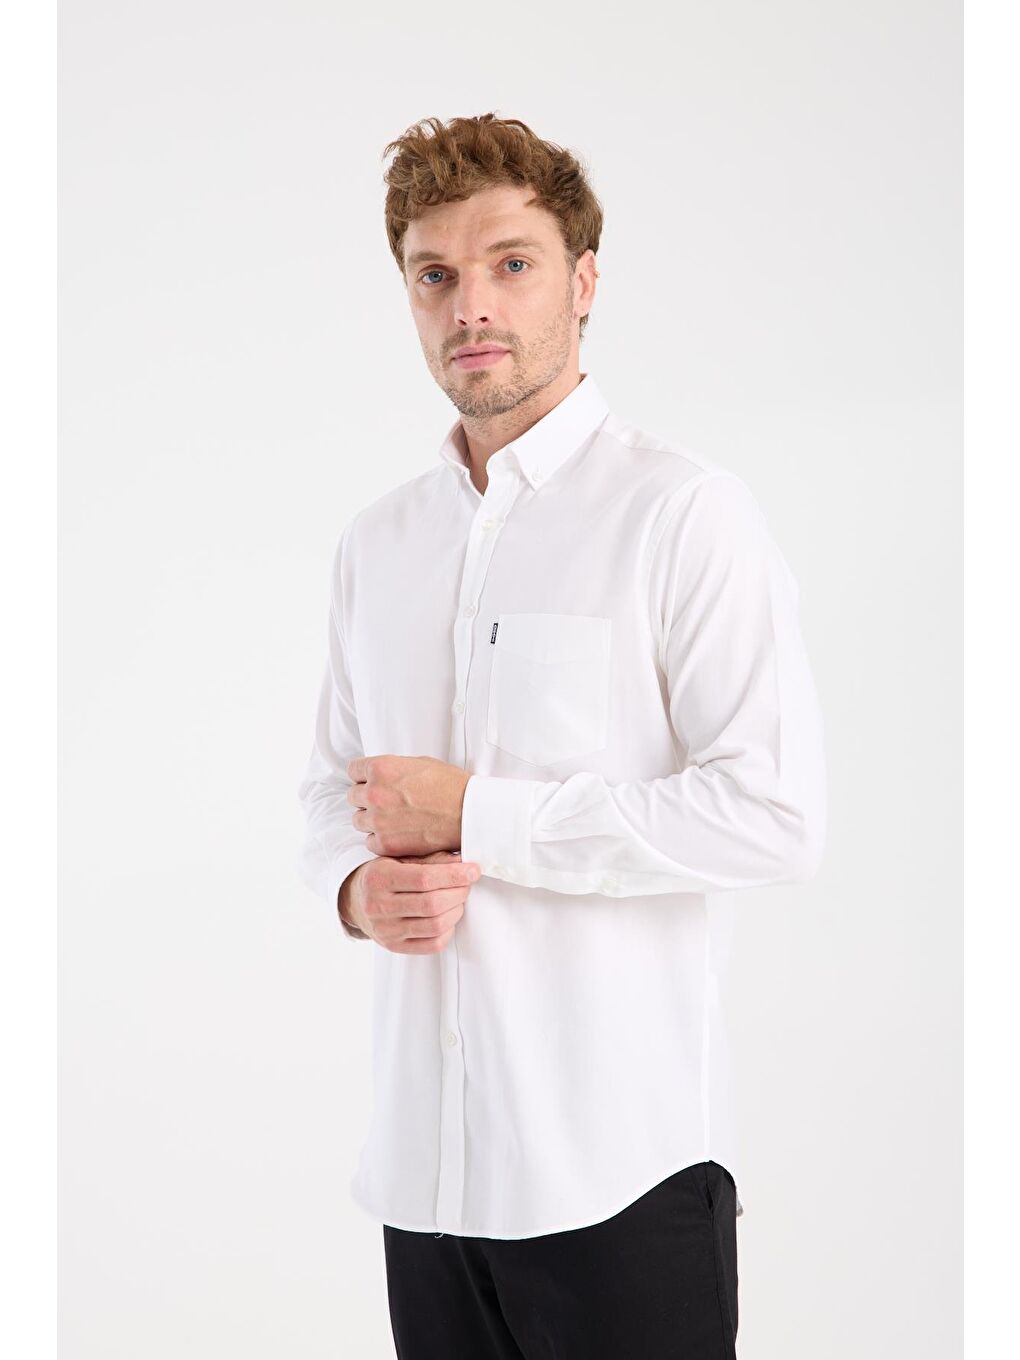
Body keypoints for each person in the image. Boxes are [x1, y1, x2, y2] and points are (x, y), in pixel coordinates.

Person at [296, 111, 827, 1359]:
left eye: (512, 263)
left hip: (618, 1175)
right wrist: (358, 891)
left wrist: (477, 814)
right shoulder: (378, 542)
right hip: (427, 1177)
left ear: (584, 283)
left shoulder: (682, 513)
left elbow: (774, 815)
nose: (471, 304)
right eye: (435, 275)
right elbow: (329, 789)